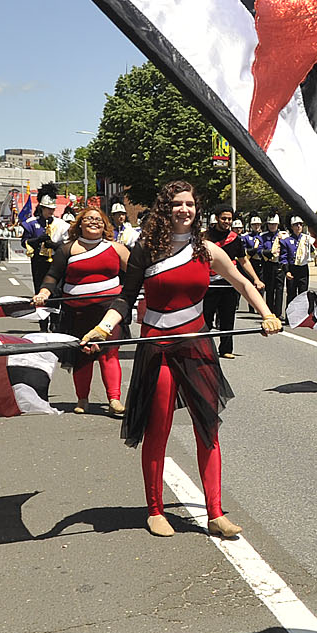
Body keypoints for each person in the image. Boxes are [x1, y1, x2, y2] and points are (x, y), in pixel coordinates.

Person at [80, 180, 279, 540]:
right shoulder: (145, 250)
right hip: (158, 347)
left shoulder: (207, 250)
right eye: (177, 204)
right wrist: (103, 327)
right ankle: (155, 509)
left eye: (190, 203)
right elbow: (125, 298)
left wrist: (266, 313)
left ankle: (215, 513)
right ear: (164, 209)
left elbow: (243, 283)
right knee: (159, 427)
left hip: (197, 345)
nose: (184, 209)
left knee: (209, 427)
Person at [34, 205, 129, 416]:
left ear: (105, 225)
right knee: (82, 355)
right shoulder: (67, 249)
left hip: (109, 312)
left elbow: (135, 275)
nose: (94, 222)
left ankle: (114, 399)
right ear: (80, 224)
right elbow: (52, 276)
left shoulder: (116, 248)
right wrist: (44, 293)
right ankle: (82, 399)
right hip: (76, 312)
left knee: (109, 354)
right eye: (89, 219)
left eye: (98, 219)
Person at [204, 208, 253, 359]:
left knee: (228, 318)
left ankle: (226, 348)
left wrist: (255, 279)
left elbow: (243, 260)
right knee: (206, 319)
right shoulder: (205, 236)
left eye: (229, 219)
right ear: (217, 218)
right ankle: (203, 348)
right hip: (209, 284)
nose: (227, 222)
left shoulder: (235, 239)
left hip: (228, 284)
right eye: (224, 218)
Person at [280, 215, 314, 308]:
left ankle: (301, 318)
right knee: (291, 294)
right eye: (296, 225)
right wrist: (286, 271)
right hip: (292, 268)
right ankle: (290, 317)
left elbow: (313, 251)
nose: (298, 226)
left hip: (303, 268)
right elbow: (283, 257)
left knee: (303, 294)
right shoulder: (286, 241)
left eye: (300, 224)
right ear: (292, 227)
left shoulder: (307, 239)